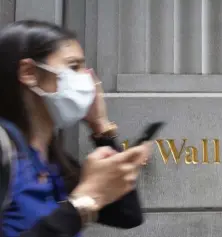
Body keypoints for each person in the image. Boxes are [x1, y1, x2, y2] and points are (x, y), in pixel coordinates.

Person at [0, 20, 150, 237]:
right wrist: (83, 200)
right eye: (74, 67)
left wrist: (101, 126)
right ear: (29, 72)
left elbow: (127, 215)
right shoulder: (6, 151)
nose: (88, 80)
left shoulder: (53, 162)